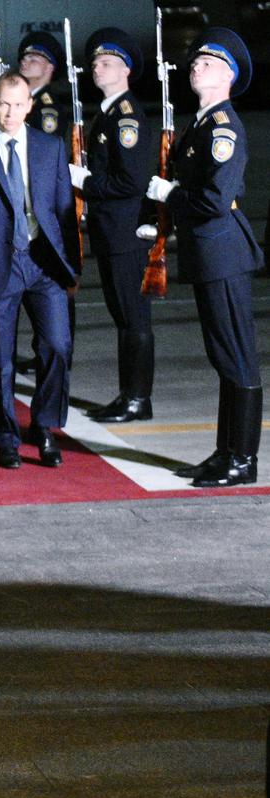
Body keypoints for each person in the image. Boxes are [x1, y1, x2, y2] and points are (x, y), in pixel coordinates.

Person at [147, 28, 263, 486]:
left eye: (209, 63)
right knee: (223, 356)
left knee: (236, 355)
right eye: (195, 60)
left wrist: (172, 196)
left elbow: (214, 200)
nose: (197, 65)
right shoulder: (200, 124)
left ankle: (243, 460)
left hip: (223, 252)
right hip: (207, 251)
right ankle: (224, 452)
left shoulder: (224, 128)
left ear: (229, 77)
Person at [0, 73, 80, 469]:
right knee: (0, 361)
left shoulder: (51, 147)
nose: (10, 112)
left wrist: (71, 267)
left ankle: (43, 425)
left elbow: (63, 211)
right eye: (3, 104)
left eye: (18, 104)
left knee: (57, 345)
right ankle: (5, 437)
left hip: (43, 262)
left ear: (29, 106)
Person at [72, 29, 157, 423]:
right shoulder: (107, 113)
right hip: (112, 230)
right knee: (122, 316)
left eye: (106, 62)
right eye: (94, 63)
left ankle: (137, 399)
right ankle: (130, 395)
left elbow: (131, 181)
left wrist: (85, 183)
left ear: (125, 70)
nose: (96, 68)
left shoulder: (126, 117)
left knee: (132, 316)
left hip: (126, 232)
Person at [18, 32, 70, 141]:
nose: (24, 62)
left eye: (33, 60)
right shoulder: (22, 100)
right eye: (24, 59)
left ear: (49, 68)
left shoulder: (49, 109)